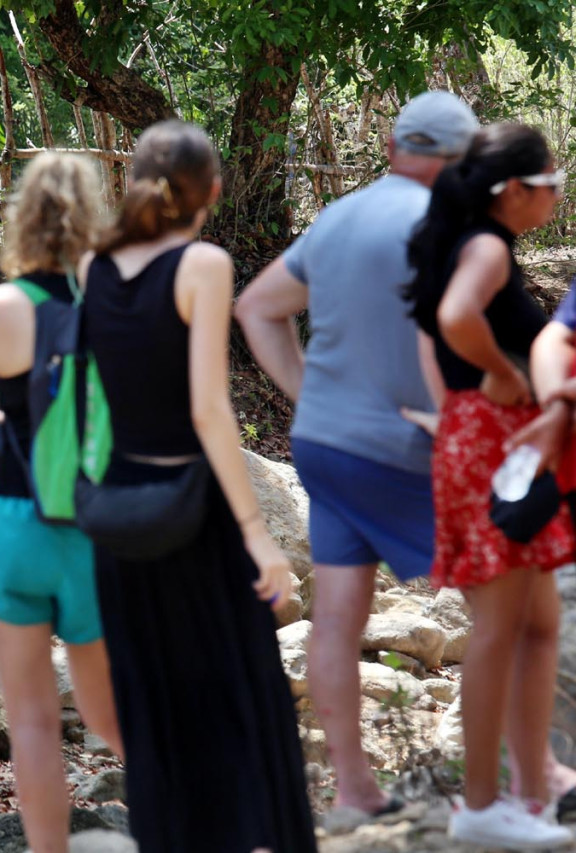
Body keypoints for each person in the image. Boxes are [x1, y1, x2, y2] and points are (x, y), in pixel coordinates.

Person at [235, 90, 478, 818]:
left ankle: (353, 788)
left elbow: (257, 307)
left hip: (325, 443)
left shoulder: (337, 218)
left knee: (339, 615)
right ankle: (507, 779)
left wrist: (307, 393)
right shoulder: (447, 224)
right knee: (510, 602)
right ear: (453, 159)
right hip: (407, 446)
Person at [80, 120, 314, 852]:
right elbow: (209, 407)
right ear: (212, 191)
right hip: (193, 514)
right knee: (239, 693)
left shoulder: (92, 266)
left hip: (118, 512)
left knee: (155, 704)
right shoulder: (202, 265)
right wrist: (256, 532)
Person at [0, 151, 124, 853]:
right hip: (94, 531)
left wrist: (5, 441)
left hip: (10, 524)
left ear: (20, 215)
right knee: (113, 719)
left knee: (31, 719)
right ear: (93, 219)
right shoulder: (122, 306)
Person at [406, 122, 573, 848]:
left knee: (538, 625)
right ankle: (481, 805)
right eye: (551, 183)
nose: (558, 196)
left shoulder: (463, 243)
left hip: (487, 441)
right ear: (514, 190)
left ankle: (527, 794)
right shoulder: (484, 247)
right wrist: (505, 378)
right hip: (491, 441)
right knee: (501, 629)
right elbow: (454, 319)